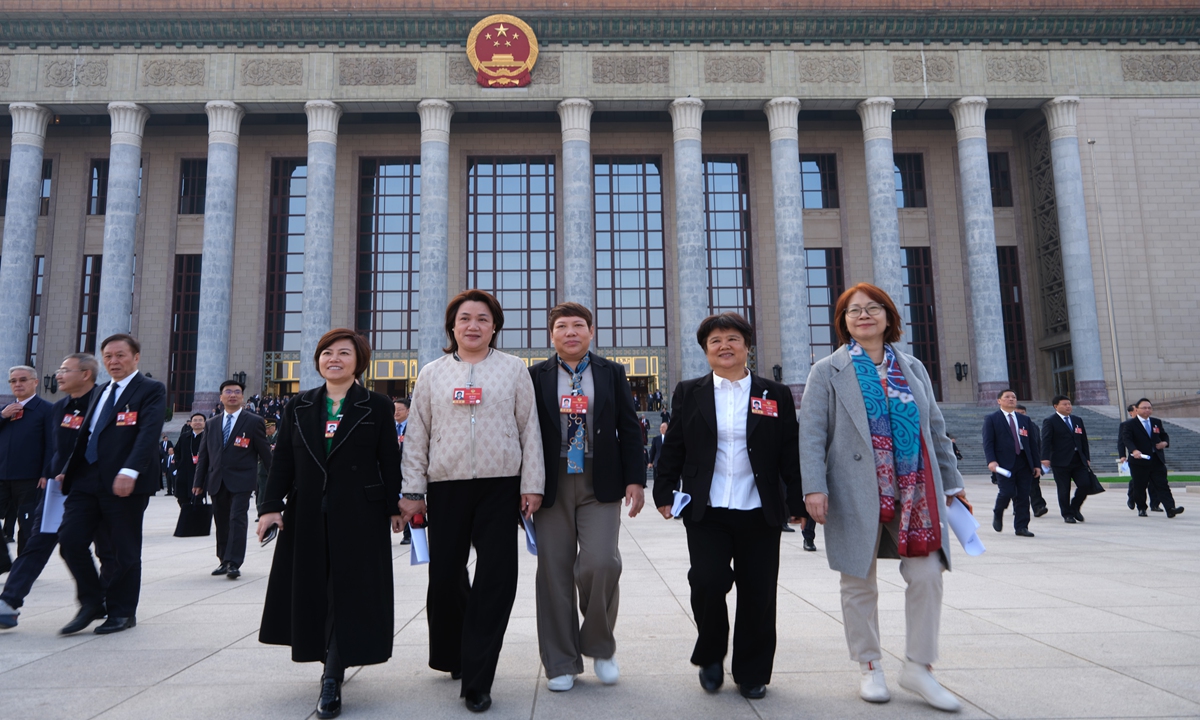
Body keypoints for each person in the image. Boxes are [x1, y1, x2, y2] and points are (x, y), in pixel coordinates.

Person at [799, 283, 967, 712]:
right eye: (854, 311)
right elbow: (813, 434)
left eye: (873, 309)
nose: (864, 316)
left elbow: (934, 428)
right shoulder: (827, 371)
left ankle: (919, 666)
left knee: (928, 574)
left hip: (915, 489)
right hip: (854, 489)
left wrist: (952, 483)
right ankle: (870, 665)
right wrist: (813, 487)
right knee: (858, 580)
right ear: (843, 322)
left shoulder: (912, 367)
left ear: (889, 318)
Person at [400, 289, 545, 714]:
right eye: (465, 318)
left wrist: (531, 484)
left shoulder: (515, 370)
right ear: (453, 326)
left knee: (497, 580)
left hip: (501, 487)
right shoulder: (432, 373)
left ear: (494, 326)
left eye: (483, 318)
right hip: (446, 486)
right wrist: (412, 491)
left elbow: (529, 429)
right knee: (445, 578)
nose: (473, 325)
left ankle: (479, 679)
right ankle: (452, 652)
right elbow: (417, 436)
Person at [653, 312, 803, 701]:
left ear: (747, 347)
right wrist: (664, 492)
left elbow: (790, 450)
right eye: (715, 340)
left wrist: (797, 500)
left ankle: (752, 672)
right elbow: (676, 446)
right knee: (706, 580)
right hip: (708, 507)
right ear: (705, 350)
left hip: (759, 508)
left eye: (733, 339)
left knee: (758, 591)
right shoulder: (690, 392)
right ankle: (711, 654)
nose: (725, 346)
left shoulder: (774, 394)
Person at [256, 329, 404, 720]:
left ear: (359, 361)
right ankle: (324, 655)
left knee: (348, 590)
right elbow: (283, 458)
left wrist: (395, 506)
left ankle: (332, 675)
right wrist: (271, 506)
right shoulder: (300, 405)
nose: (333, 358)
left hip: (360, 512)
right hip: (307, 510)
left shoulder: (375, 405)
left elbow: (389, 459)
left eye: (343, 353)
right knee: (314, 588)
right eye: (326, 353)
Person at [527, 302, 645, 692]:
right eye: (562, 326)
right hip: (552, 479)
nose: (571, 332)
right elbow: (523, 432)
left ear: (591, 332)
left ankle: (600, 645)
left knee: (601, 563)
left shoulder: (611, 372)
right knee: (554, 572)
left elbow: (629, 428)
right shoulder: (534, 376)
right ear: (552, 335)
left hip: (600, 478)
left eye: (579, 325)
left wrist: (636, 479)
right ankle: (560, 660)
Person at [57, 333, 167, 635]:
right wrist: (68, 468)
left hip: (124, 482)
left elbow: (148, 432)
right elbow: (87, 435)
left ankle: (122, 612)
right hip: (86, 479)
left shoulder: (151, 389)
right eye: (108, 356)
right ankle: (93, 600)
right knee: (70, 540)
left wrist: (130, 470)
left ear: (135, 357)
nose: (113, 361)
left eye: (120, 355)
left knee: (122, 550)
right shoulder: (101, 390)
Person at [0, 354, 112, 629]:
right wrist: (53, 474)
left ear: (85, 374)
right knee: (38, 542)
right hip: (60, 488)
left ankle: (105, 602)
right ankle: (9, 602)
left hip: (98, 487)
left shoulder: (104, 403)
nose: (58, 375)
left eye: (65, 370)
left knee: (104, 549)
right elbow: (59, 448)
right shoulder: (62, 406)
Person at [193, 379, 274, 579]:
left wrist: (276, 478)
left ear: (242, 397)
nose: (232, 395)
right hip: (216, 480)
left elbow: (265, 453)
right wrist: (198, 482)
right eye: (228, 392)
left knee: (237, 519)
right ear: (221, 397)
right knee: (221, 521)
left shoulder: (254, 421)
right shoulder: (211, 423)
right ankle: (223, 559)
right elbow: (204, 455)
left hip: (242, 481)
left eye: (237, 392)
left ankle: (234, 561)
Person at [0, 365, 56, 572]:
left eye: (22, 380)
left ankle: (24, 567)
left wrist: (46, 473)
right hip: (2, 475)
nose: (18, 384)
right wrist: (3, 416)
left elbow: (52, 445)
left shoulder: (46, 410)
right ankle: (3, 561)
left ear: (35, 382)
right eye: (13, 381)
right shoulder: (4, 411)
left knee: (27, 524)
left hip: (30, 478)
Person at [983, 389, 1041, 537]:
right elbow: (988, 442)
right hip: (1003, 463)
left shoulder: (1024, 420)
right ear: (999, 401)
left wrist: (1036, 465)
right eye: (1007, 397)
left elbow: (1032, 444)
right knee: (1007, 492)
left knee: (1023, 495)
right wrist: (991, 461)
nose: (1011, 399)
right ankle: (998, 511)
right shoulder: (992, 419)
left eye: (1013, 397)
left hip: (1023, 461)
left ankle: (1021, 526)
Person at [1120, 398, 1183, 518]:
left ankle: (1170, 508)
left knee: (1162, 484)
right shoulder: (1129, 424)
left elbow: (1164, 435)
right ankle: (1142, 508)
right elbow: (1126, 439)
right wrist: (1134, 450)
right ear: (1137, 409)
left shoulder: (1156, 422)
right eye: (1144, 408)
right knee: (1140, 486)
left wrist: (1165, 443)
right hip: (1139, 460)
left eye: (1149, 408)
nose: (1147, 410)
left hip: (1156, 459)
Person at [1039, 395, 1092, 524]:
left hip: (1078, 459)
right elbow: (1046, 440)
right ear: (1056, 406)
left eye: (1069, 404)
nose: (1068, 406)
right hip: (1060, 461)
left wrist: (1086, 457)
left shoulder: (1077, 420)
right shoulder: (1050, 421)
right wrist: (1045, 457)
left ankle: (1074, 507)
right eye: (1064, 404)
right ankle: (1067, 514)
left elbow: (1083, 440)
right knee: (1064, 489)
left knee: (1086, 484)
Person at [1015, 405, 1048, 516]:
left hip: (1030, 460)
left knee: (1034, 484)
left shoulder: (1032, 426)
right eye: (1017, 412)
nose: (1020, 415)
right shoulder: (1008, 426)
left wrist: (1041, 458)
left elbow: (1037, 443)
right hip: (1015, 460)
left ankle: (1038, 506)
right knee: (1016, 486)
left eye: (1022, 412)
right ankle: (1018, 507)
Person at [175, 413, 207, 506]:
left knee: (198, 502)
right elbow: (177, 452)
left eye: (200, 420)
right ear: (190, 423)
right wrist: (179, 465)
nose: (198, 422)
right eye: (195, 420)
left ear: (205, 423)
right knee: (183, 501)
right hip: (184, 474)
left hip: (200, 475)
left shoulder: (208, 437)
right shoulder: (184, 437)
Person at [393, 398, 411, 545]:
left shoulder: (413, 428)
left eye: (400, 409)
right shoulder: (389, 427)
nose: (396, 412)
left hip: (407, 472)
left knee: (409, 503)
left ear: (408, 411)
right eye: (394, 409)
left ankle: (408, 535)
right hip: (392, 472)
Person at [255, 419, 278, 519]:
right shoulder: (263, 438)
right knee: (262, 490)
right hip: (263, 469)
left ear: (274, 427)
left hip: (277, 468)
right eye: (266, 428)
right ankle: (261, 510)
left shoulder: (280, 437)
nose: (267, 430)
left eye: (269, 428)